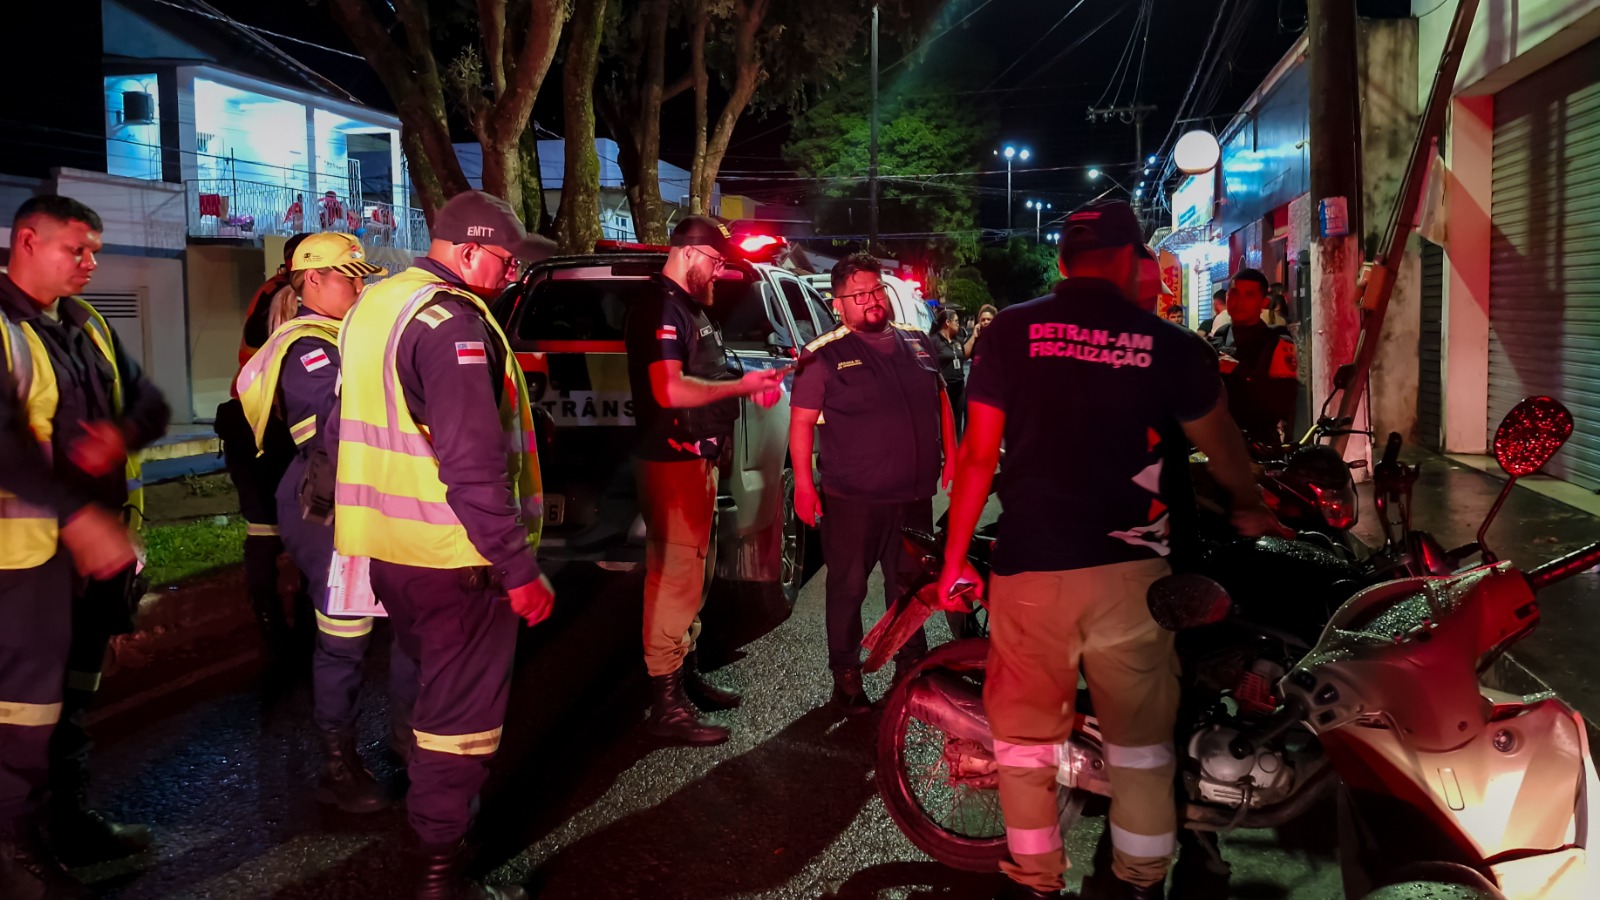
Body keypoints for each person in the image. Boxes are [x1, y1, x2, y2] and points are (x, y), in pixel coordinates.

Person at [937, 200, 1286, 900]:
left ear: (1063, 260)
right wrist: (1250, 508)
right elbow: (1224, 451)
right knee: (1140, 750)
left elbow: (977, 459)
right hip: (1134, 579)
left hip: (1031, 569)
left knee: (1026, 749)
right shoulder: (1171, 346)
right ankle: (1136, 883)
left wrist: (953, 564)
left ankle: (1036, 879)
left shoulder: (1008, 333)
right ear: (1131, 260)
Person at [332, 190, 555, 900]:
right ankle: (440, 871)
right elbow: (470, 464)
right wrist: (517, 567)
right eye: (505, 261)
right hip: (457, 556)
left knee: (423, 684)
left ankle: (427, 806)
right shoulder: (451, 324)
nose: (512, 276)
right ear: (465, 251)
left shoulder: (376, 304)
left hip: (390, 549)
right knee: (460, 721)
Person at [0, 196, 170, 895]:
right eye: (79, 249)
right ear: (26, 240)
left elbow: (151, 403)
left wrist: (119, 434)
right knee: (21, 713)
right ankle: (16, 858)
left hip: (88, 561)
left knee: (71, 699)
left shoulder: (86, 322)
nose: (91, 263)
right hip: (22, 560)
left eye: (95, 250)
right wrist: (78, 517)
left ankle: (65, 823)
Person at [235, 233, 418, 814]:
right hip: (330, 504)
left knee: (405, 628)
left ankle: (409, 745)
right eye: (349, 277)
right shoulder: (307, 348)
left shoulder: (343, 337)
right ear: (312, 280)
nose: (360, 287)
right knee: (345, 638)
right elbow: (331, 431)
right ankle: (339, 764)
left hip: (367, 497)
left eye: (362, 277)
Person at [623, 216, 786, 746]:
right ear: (691, 253)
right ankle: (664, 704)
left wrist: (744, 383)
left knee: (695, 575)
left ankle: (685, 679)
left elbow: (706, 371)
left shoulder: (688, 307)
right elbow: (668, 390)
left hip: (696, 460)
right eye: (715, 262)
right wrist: (741, 387)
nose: (718, 273)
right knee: (674, 578)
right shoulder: (660, 307)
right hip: (672, 462)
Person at [789, 254, 956, 714]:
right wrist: (804, 485)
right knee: (847, 587)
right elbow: (801, 424)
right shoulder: (821, 355)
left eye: (876, 290)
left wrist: (953, 455)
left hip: (914, 495)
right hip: (854, 498)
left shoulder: (918, 342)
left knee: (909, 586)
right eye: (858, 295)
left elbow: (941, 399)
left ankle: (913, 667)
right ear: (838, 304)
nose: (872, 301)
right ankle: (845, 673)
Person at [217, 233, 311, 660]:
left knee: (264, 534)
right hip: (272, 420)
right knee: (310, 536)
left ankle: (277, 632)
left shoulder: (270, 295)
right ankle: (305, 630)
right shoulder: (288, 296)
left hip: (251, 418)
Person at [1211, 269, 1299, 447]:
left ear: (1263, 302)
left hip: (1258, 445)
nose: (1239, 301)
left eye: (1249, 295)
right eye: (1234, 294)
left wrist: (1239, 371)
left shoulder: (1277, 343)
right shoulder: (1219, 337)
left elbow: (1281, 404)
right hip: (1215, 440)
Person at [932, 307, 967, 435]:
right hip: (944, 389)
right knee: (945, 423)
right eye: (956, 321)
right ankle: (946, 452)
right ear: (947, 322)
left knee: (958, 421)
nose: (958, 324)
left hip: (959, 386)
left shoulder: (957, 341)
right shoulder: (934, 341)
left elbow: (964, 356)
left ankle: (958, 452)